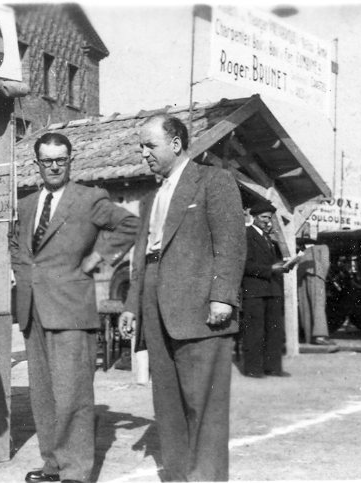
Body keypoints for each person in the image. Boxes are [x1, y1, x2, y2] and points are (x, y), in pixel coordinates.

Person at [119, 115, 246, 482]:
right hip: (155, 310)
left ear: (175, 144)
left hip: (201, 311)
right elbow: (143, 257)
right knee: (168, 406)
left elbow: (231, 243)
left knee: (205, 406)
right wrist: (131, 306)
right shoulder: (152, 196)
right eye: (141, 146)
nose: (144, 153)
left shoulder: (213, 181)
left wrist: (222, 296)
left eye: (150, 146)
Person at [9, 132, 139, 483]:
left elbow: (130, 224)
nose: (54, 166)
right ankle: (52, 464)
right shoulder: (25, 204)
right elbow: (18, 247)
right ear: (37, 164)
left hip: (70, 309)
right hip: (32, 309)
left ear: (70, 161)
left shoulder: (89, 198)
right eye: (47, 161)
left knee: (73, 395)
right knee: (45, 395)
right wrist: (23, 278)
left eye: (60, 160)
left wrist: (97, 258)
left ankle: (76, 473)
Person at [240, 200, 290, 378]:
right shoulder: (246, 235)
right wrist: (271, 269)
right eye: (263, 218)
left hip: (271, 289)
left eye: (269, 218)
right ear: (253, 217)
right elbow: (244, 265)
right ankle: (253, 368)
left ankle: (273, 367)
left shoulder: (268, 238)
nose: (267, 221)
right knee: (254, 330)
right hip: (254, 290)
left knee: (274, 330)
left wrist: (283, 266)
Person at [297, 231, 334, 345]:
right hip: (316, 275)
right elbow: (325, 263)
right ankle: (319, 336)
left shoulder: (300, 251)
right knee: (318, 304)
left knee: (305, 306)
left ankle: (309, 337)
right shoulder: (323, 247)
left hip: (302, 276)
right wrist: (322, 276)